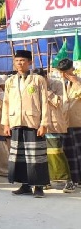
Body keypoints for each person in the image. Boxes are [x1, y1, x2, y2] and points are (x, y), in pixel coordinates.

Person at [2, 50, 50, 198]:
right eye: (17, 61)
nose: (19, 63)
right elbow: (6, 103)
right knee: (20, 156)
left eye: (22, 61)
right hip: (16, 121)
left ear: (29, 62)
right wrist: (5, 124)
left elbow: (44, 103)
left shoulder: (38, 80)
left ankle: (39, 186)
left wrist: (44, 123)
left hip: (33, 122)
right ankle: (25, 185)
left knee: (36, 156)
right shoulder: (10, 81)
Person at [45, 60, 71, 190]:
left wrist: (47, 91)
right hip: (40, 125)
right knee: (43, 154)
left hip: (54, 124)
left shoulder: (57, 84)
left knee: (57, 152)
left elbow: (59, 102)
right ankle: (46, 180)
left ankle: (67, 180)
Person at [59, 59, 81, 193]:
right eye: (62, 72)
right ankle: (73, 179)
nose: (64, 75)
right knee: (69, 153)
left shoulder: (78, 81)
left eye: (66, 72)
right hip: (64, 123)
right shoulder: (60, 83)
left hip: (78, 122)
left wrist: (76, 82)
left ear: (72, 70)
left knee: (79, 152)